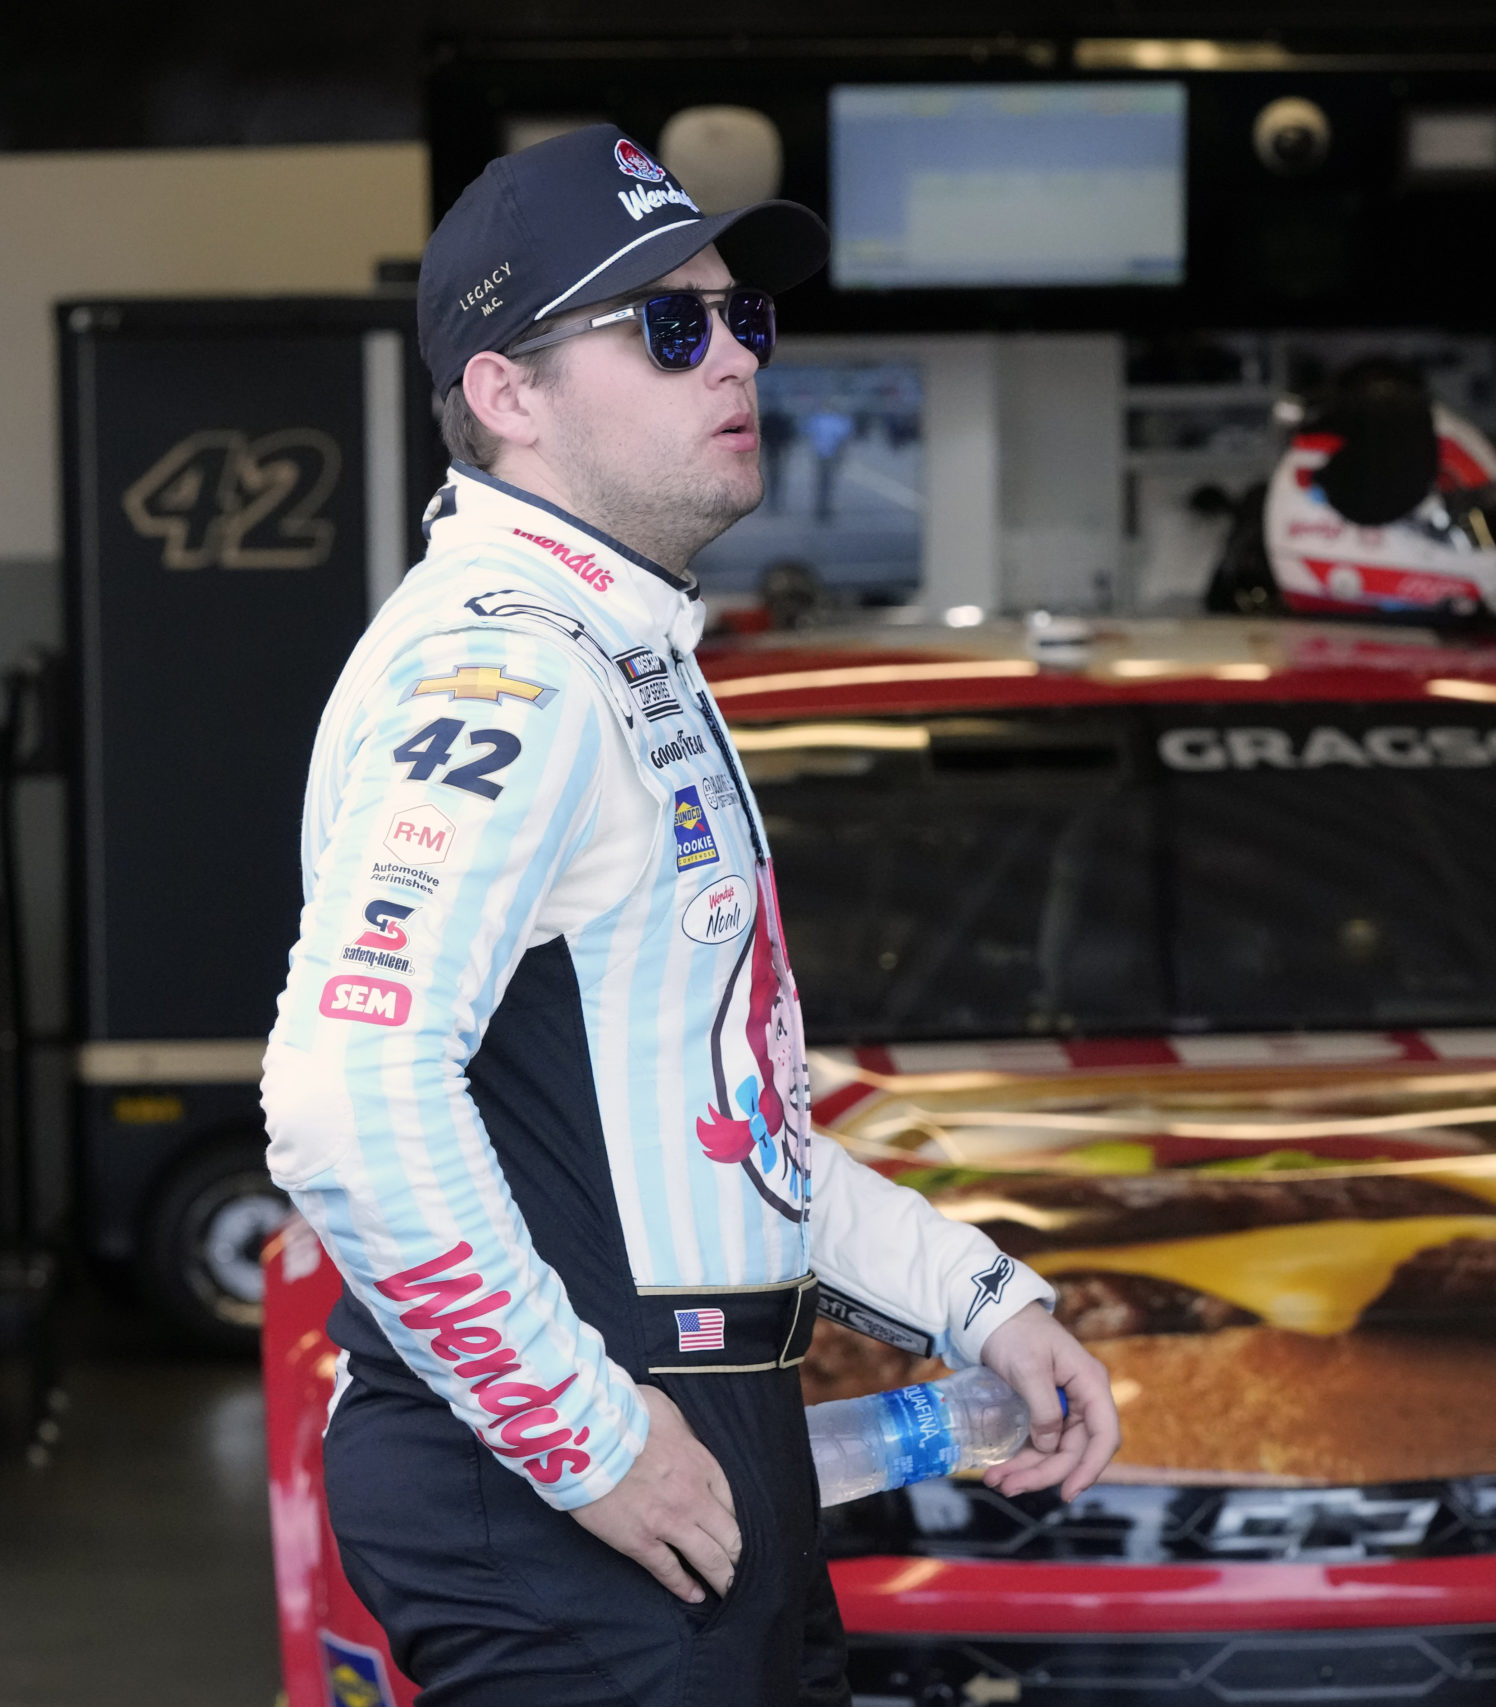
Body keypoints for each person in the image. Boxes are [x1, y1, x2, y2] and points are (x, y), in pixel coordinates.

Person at [259, 125, 1120, 1707]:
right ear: (509, 394)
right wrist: (579, 1437)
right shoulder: (503, 666)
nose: (732, 353)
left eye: (744, 318)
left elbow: (729, 1120)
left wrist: (977, 1300)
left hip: (703, 1426)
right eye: (668, 324)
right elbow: (341, 1093)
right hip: (574, 1472)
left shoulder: (623, 649)